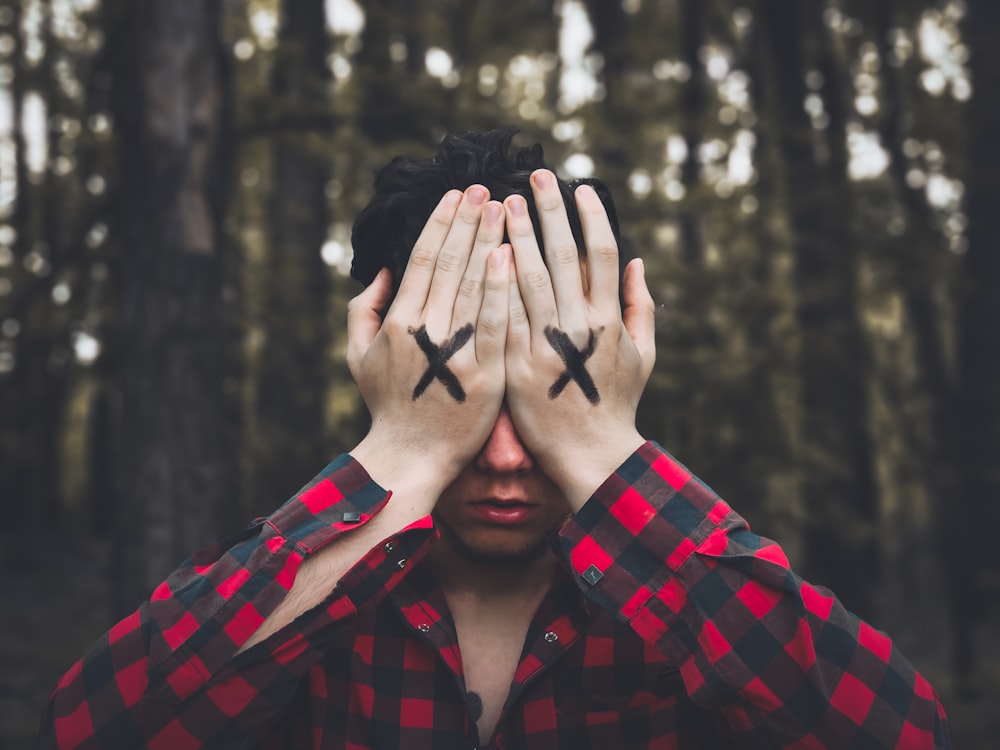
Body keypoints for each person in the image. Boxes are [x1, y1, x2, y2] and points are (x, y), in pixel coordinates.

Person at [42, 129, 951, 749]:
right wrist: (401, 455)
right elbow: (86, 728)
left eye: (541, 402)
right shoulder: (318, 612)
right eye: (467, 403)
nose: (509, 457)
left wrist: (601, 451)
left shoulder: (681, 618)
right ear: (383, 363)